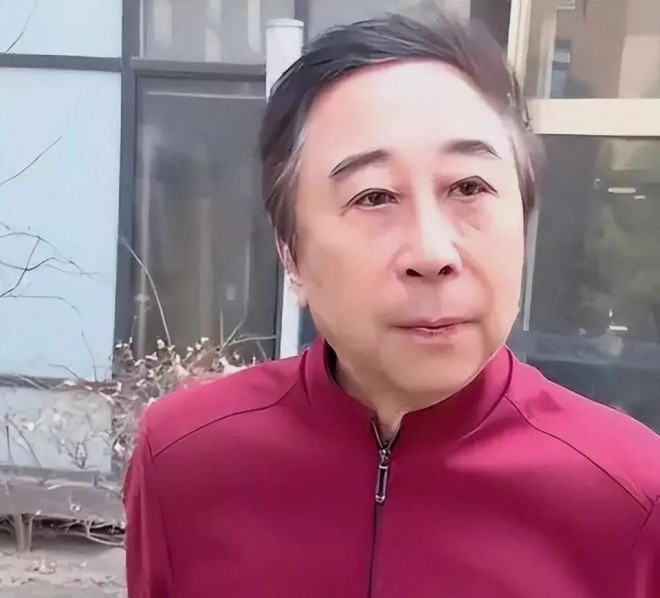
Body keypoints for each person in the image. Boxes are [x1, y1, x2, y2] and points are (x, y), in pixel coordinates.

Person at [123, 12, 660, 598]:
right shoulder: (183, 458)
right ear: (291, 256)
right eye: (374, 196)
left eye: (469, 188)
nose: (432, 253)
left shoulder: (633, 497)